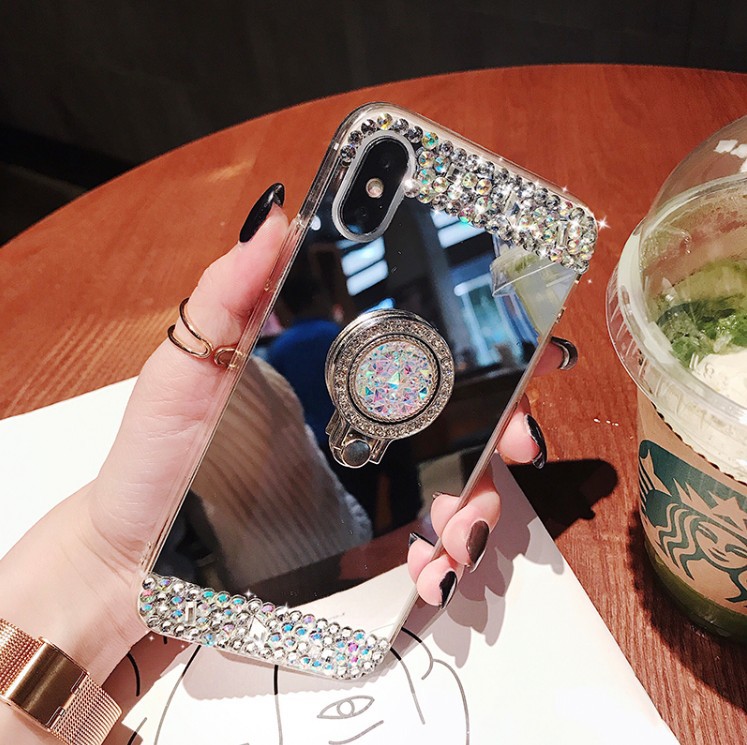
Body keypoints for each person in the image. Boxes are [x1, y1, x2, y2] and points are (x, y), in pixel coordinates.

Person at [0, 184, 577, 743]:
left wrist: (98, 569)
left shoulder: (263, 366)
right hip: (336, 548)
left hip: (277, 574)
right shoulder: (265, 373)